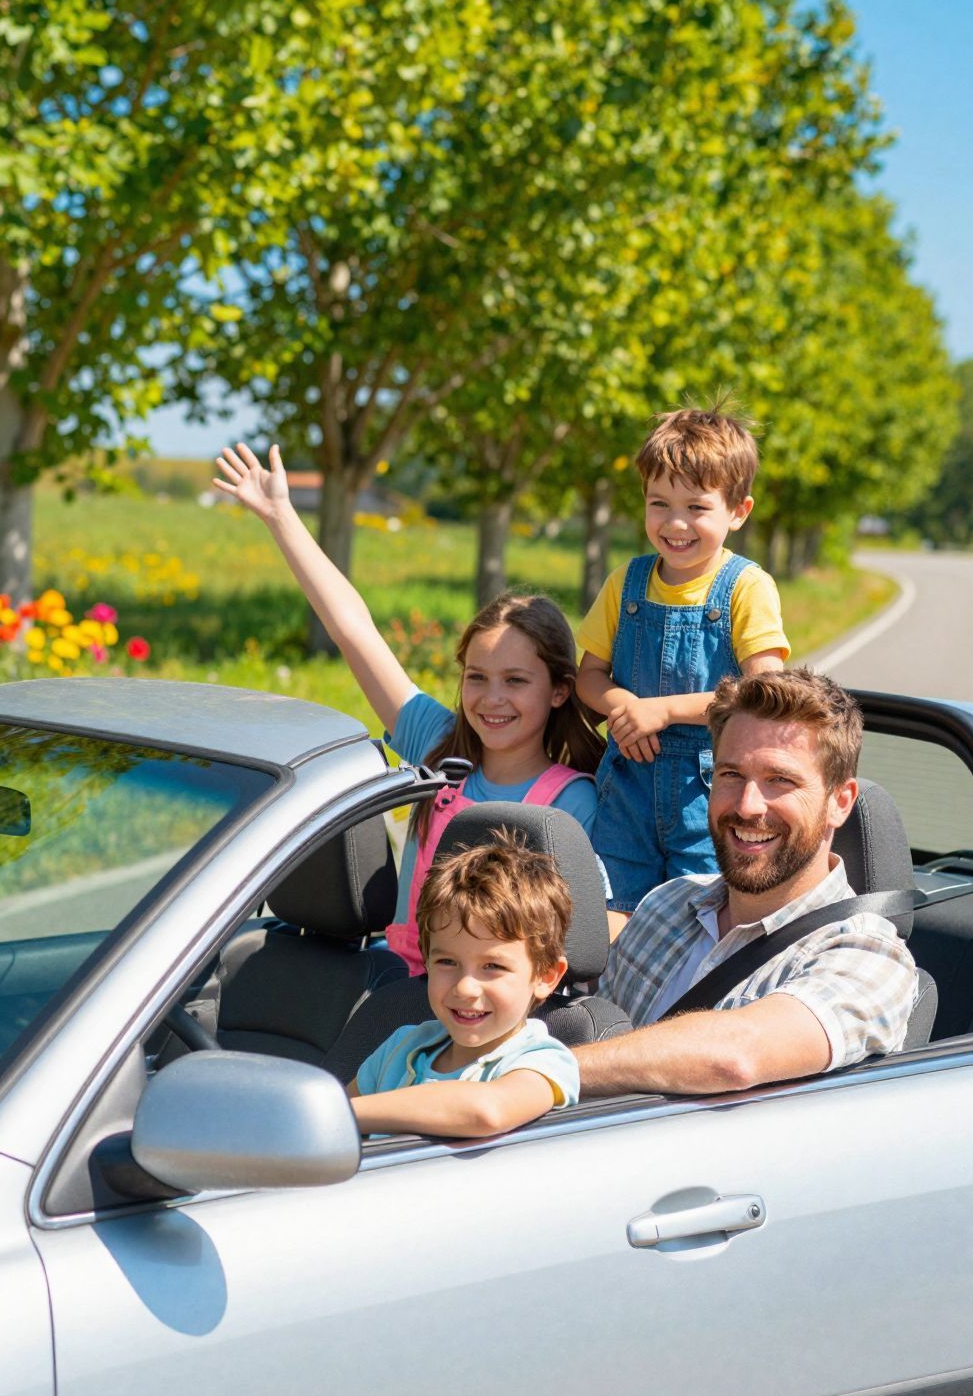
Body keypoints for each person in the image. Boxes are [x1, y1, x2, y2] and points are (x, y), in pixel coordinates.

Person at [213, 442, 604, 973]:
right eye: (476, 678)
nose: (491, 699)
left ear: (560, 690)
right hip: (398, 987)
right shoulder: (437, 746)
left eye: (515, 681)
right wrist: (282, 516)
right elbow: (353, 631)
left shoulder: (572, 804)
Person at [573, 668, 918, 1098]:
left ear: (839, 801)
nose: (748, 806)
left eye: (780, 780)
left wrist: (536, 1076)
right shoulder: (666, 904)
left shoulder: (869, 956)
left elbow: (735, 1055)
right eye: (731, 775)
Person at [576, 405, 789, 915]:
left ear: (738, 511)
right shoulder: (625, 582)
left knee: (700, 914)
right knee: (614, 908)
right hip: (626, 785)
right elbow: (588, 675)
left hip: (711, 789)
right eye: (658, 503)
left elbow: (763, 691)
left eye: (697, 507)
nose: (675, 523)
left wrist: (663, 711)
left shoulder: (745, 587)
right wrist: (623, 704)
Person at [349, 833, 580, 1138]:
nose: (465, 988)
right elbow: (327, 1121)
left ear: (546, 976)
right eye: (447, 962)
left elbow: (485, 1112)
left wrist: (349, 1114)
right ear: (427, 960)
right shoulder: (402, 1047)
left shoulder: (543, 1061)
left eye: (493, 966)